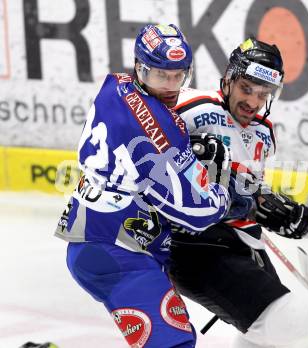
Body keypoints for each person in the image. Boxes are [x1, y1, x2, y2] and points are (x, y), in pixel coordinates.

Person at [54, 24, 247, 348]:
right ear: (140, 67)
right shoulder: (159, 131)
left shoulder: (116, 85)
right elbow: (195, 212)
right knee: (174, 344)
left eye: (178, 75)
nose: (171, 85)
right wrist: (226, 198)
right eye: (160, 75)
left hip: (107, 239)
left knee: (171, 338)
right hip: (114, 250)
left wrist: (191, 157)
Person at [168, 38, 308, 348]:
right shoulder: (188, 107)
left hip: (240, 241)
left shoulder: (263, 132)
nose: (253, 102)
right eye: (247, 89)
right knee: (288, 321)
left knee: (271, 335)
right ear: (228, 80)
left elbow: (249, 189)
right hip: (192, 244)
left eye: (264, 94)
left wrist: (281, 212)